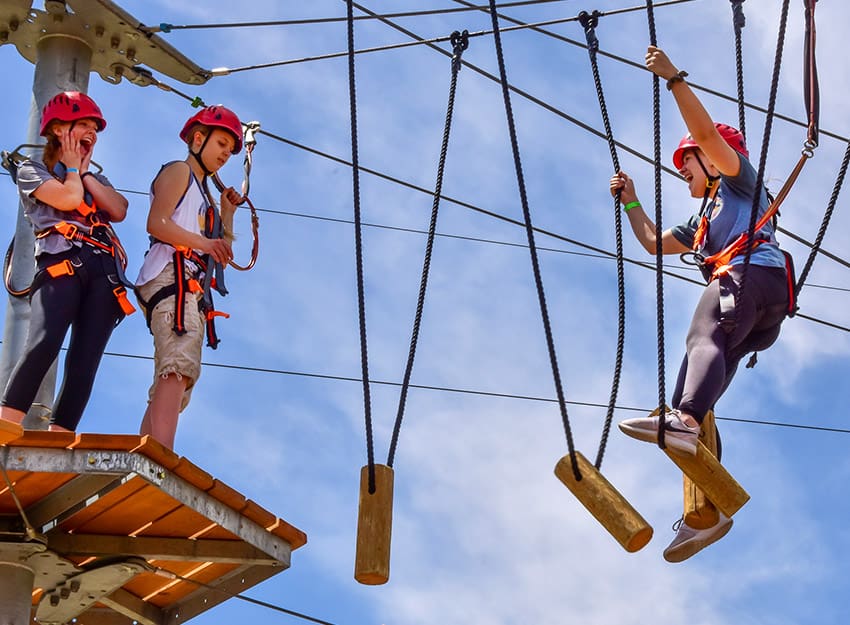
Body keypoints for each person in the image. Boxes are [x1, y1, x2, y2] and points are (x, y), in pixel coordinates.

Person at [610, 47, 791, 562]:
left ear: (710, 162)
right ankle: (709, 512)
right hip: (758, 310)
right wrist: (630, 199)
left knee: (700, 337)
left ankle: (685, 423)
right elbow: (650, 242)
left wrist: (674, 79)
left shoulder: (739, 181)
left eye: (687, 162)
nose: (683, 172)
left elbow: (708, 135)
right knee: (693, 383)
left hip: (752, 278)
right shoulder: (703, 222)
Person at [0, 91, 132, 441]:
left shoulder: (95, 181)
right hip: (62, 263)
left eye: (94, 128)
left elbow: (118, 209)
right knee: (44, 341)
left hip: (103, 271)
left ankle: (59, 437)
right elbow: (68, 199)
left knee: (85, 359)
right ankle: (5, 428)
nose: (92, 133)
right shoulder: (33, 170)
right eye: (83, 125)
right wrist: (73, 170)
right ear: (58, 130)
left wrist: (84, 174)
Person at [136, 105, 244, 449]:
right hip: (172, 275)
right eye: (222, 144)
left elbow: (220, 258)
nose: (226, 154)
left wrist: (226, 214)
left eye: (230, 148)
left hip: (189, 284)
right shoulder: (179, 172)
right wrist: (204, 242)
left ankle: (149, 447)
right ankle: (159, 454)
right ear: (199, 138)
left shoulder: (206, 195)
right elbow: (157, 223)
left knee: (179, 372)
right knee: (178, 366)